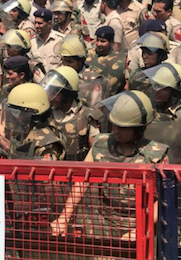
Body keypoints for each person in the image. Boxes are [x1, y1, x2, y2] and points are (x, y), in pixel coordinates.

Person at [50, 91, 168, 240]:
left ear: (139, 128)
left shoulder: (156, 154)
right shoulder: (101, 144)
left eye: (123, 128)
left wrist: (140, 229)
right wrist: (64, 216)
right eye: (114, 125)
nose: (116, 131)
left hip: (142, 229)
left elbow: (164, 199)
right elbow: (82, 180)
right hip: (105, 225)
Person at [41, 66, 101, 161]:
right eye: (49, 90)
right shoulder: (44, 114)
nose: (50, 96)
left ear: (67, 94)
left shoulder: (86, 115)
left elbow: (95, 149)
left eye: (55, 92)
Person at [3, 82, 66, 160]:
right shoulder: (22, 132)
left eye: (16, 112)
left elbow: (45, 171)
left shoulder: (46, 143)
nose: (12, 115)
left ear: (30, 113)